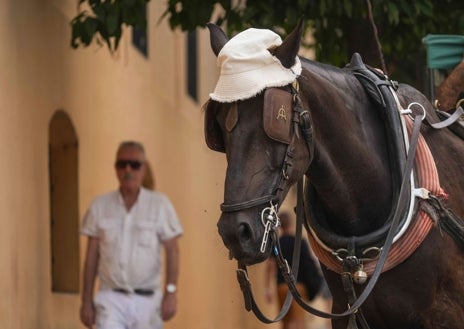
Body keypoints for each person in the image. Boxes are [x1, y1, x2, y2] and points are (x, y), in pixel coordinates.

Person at [79, 141, 183, 329]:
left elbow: (173, 251)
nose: (128, 169)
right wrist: (86, 301)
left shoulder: (160, 205)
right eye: (122, 164)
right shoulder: (99, 206)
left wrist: (171, 293)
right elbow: (91, 257)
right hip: (110, 300)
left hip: (148, 303)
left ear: (144, 169)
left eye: (134, 164)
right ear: (115, 168)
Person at [265, 211, 330, 329]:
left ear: (279, 225)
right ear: (291, 224)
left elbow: (271, 266)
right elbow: (308, 262)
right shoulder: (300, 241)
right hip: (298, 286)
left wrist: (267, 288)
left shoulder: (276, 243)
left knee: (285, 322)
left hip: (281, 286)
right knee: (300, 321)